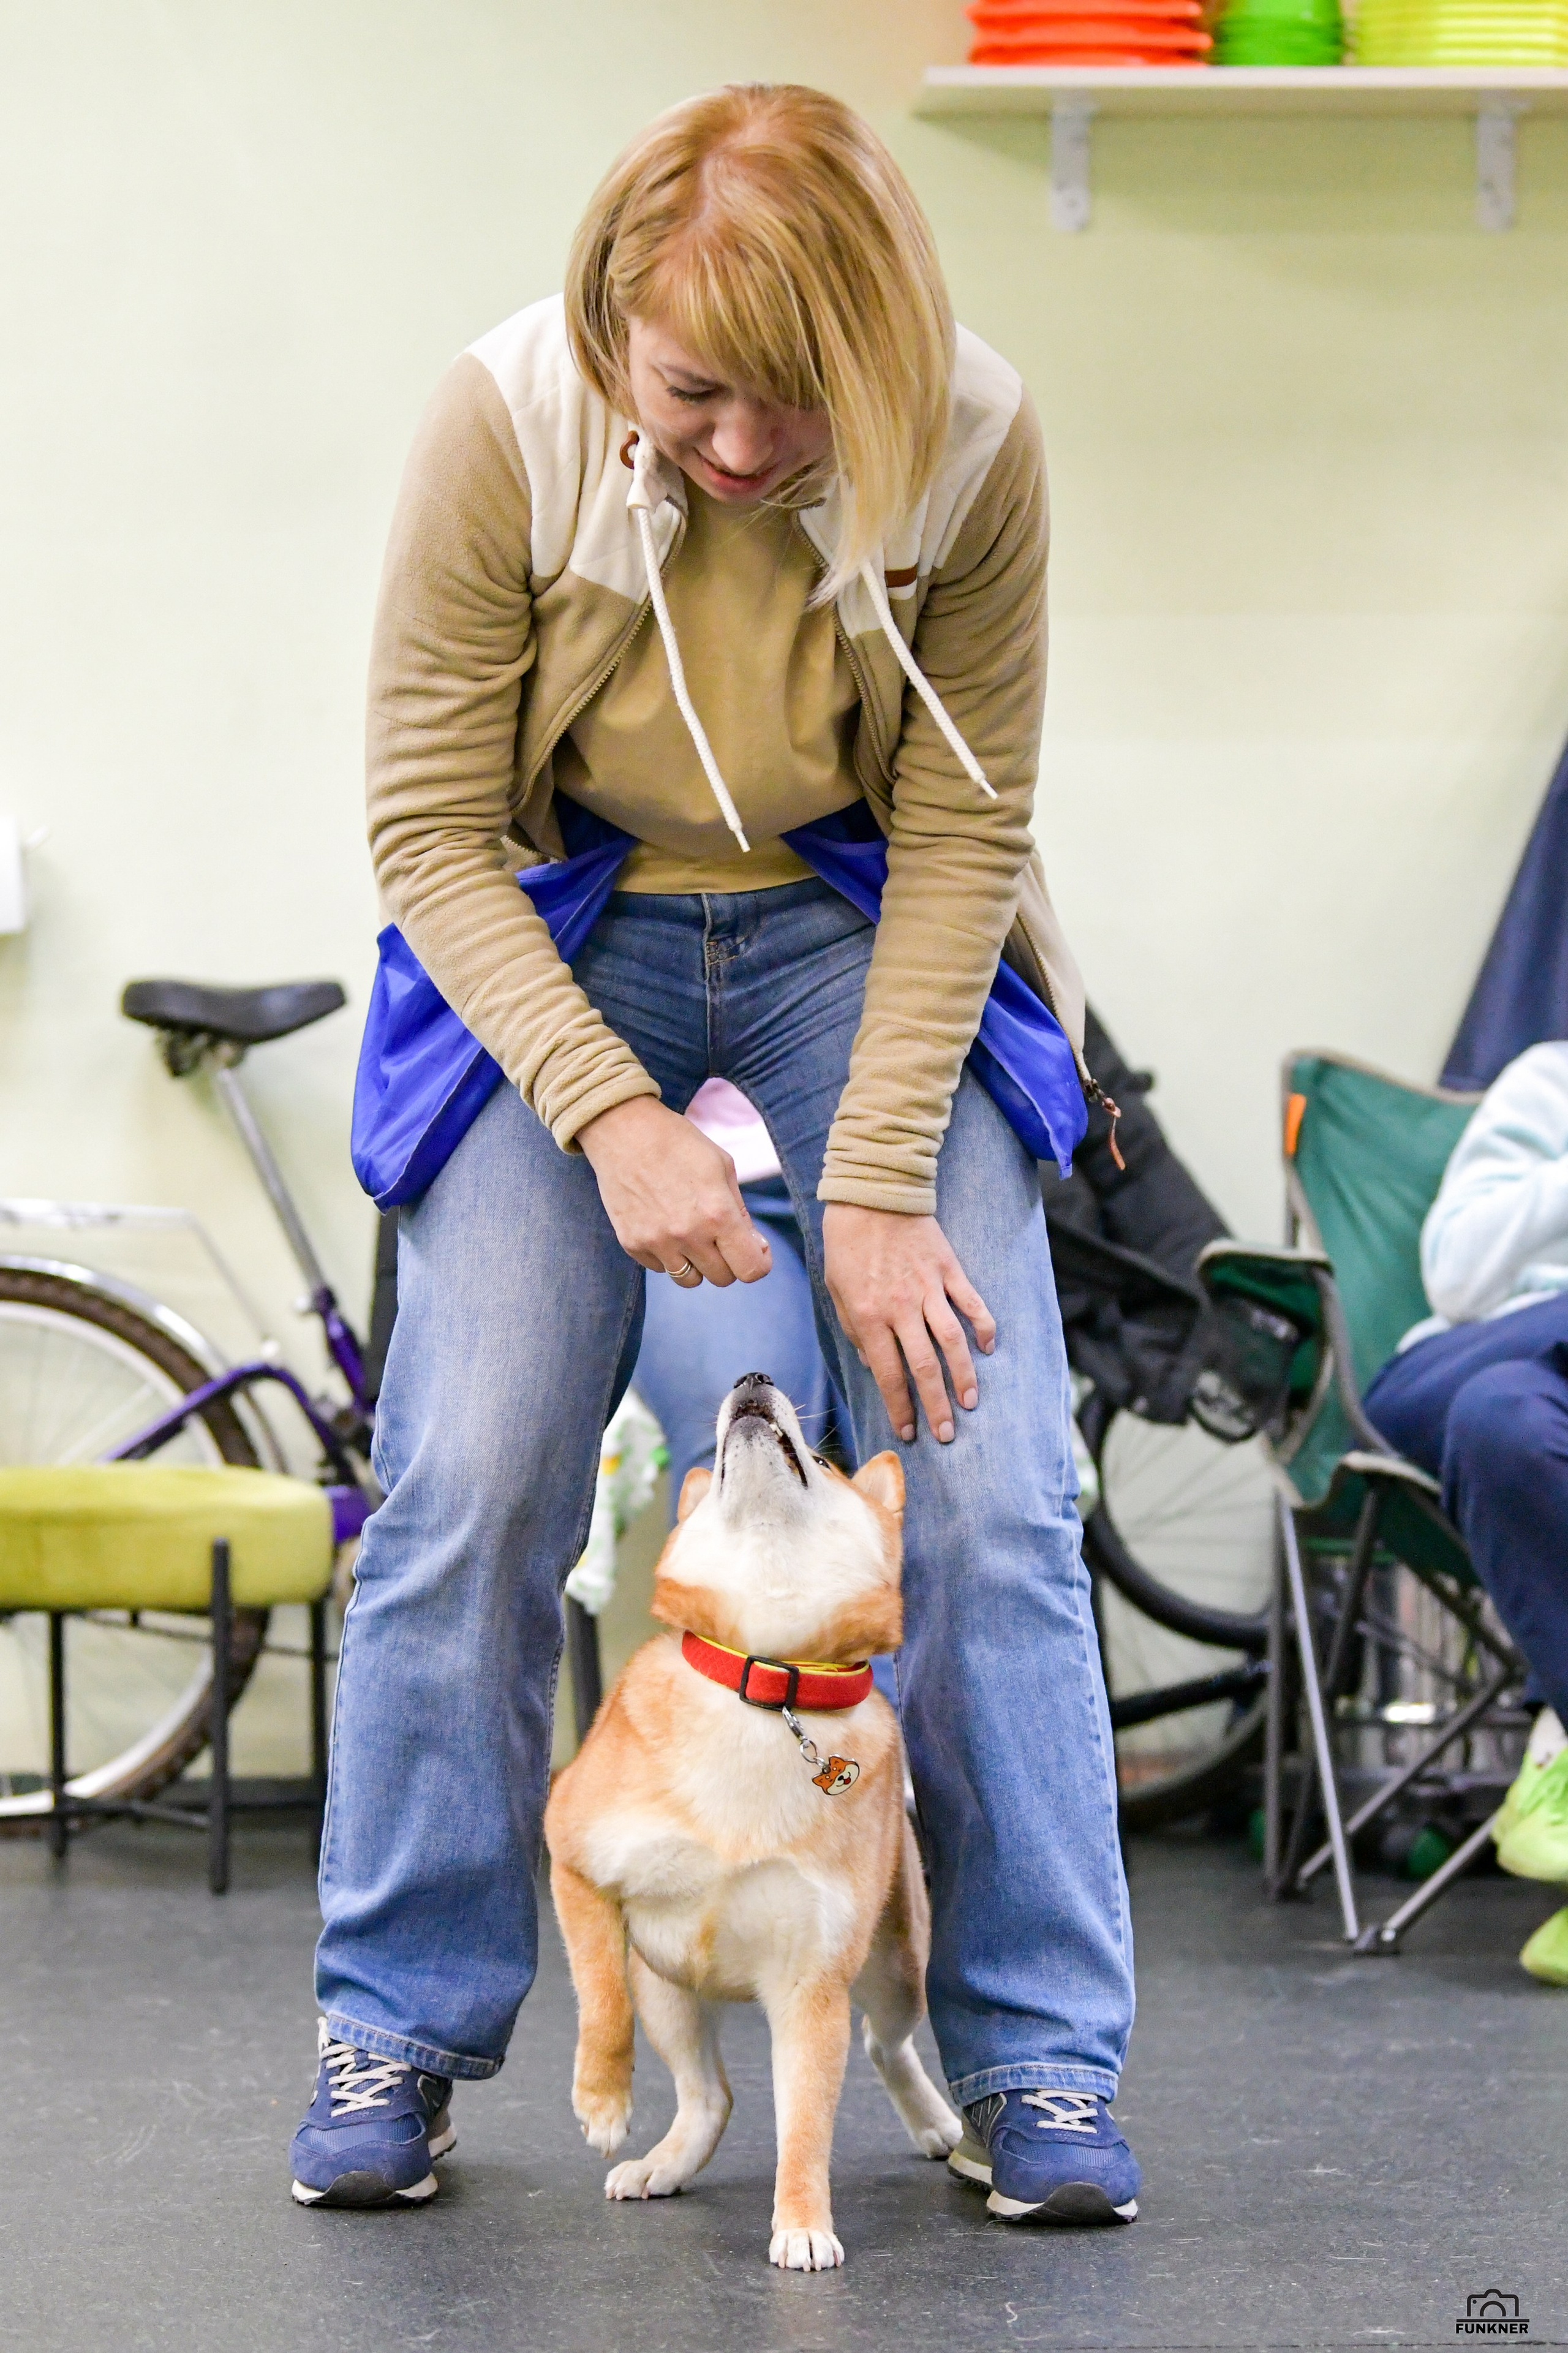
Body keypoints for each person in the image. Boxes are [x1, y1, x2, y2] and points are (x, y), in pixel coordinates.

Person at [290, 83, 1139, 2223]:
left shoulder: (974, 436)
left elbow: (965, 827)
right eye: (693, 398)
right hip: (561, 913)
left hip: (859, 920)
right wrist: (607, 1109)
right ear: (614, 334)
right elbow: (425, 828)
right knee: (475, 1473)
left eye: (798, 403)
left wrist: (878, 1181)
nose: (747, 450)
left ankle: (1040, 2063)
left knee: (992, 1483)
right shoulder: (504, 422)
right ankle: (395, 2025)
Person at [1365, 1038, 1568, 1985]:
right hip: (1486, 1353)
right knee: (1489, 1405)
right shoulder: (1548, 1082)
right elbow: (1455, 1274)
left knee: (1499, 1416)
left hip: (1515, 1414)